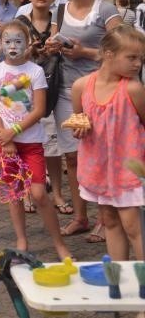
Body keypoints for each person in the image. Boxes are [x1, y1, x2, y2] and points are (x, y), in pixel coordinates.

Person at [46, 0, 122, 241]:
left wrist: (86, 53)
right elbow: (55, 40)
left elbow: (124, 49)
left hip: (99, 91)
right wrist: (53, 45)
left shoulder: (106, 9)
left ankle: (106, 219)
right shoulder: (61, 10)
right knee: (73, 157)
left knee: (100, 158)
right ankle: (81, 217)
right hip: (66, 90)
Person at [0, 21, 71, 260]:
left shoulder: (35, 71)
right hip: (5, 142)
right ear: (0, 44)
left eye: (18, 41)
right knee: (14, 193)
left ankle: (59, 243)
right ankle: (22, 239)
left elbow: (39, 110)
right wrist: (5, 137)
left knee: (40, 194)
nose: (13, 46)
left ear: (27, 44)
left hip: (31, 142)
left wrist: (13, 131)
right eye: (8, 41)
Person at [69, 26, 145, 260]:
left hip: (127, 170)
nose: (138, 64)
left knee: (135, 227)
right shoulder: (81, 86)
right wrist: (78, 128)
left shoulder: (133, 88)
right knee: (109, 221)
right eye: (132, 57)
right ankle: (119, 280)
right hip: (99, 167)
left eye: (141, 59)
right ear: (108, 54)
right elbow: (78, 119)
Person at [14, 0, 67, 215]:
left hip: (55, 82)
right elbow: (12, 53)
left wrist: (59, 48)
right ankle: (26, 192)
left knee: (53, 146)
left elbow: (69, 48)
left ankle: (56, 193)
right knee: (27, 143)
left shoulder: (61, 21)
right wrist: (31, 50)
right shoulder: (21, 22)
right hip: (27, 87)